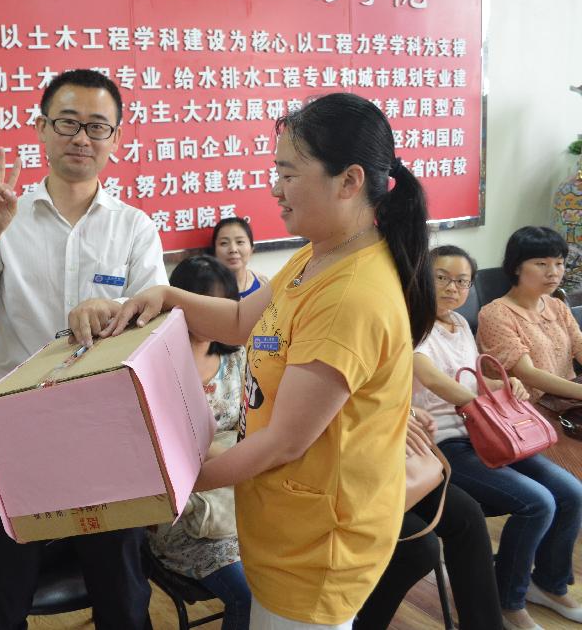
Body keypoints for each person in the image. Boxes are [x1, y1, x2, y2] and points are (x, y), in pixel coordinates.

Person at [108, 92, 435, 628]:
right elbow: (242, 321)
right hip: (282, 527)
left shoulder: (351, 296)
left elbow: (285, 441)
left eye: (288, 174)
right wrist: (165, 297)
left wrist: (173, 484)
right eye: (275, 172)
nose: (275, 189)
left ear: (349, 181)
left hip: (318, 549)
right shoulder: (319, 254)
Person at [0, 68, 167, 630]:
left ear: (116, 138)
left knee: (124, 602)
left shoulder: (134, 228)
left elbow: (154, 329)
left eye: (97, 126)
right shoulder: (6, 218)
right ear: (41, 128)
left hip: (106, 437)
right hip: (15, 432)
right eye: (67, 122)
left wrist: (112, 311)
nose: (82, 137)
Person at [356, 248, 509, 627]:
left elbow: (385, 391)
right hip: (355, 460)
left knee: (467, 516)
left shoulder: (406, 321)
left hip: (401, 450)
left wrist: (404, 413)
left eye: (461, 281)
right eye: (440, 278)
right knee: (418, 547)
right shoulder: (388, 322)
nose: (450, 288)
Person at [472, 228, 582, 627]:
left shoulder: (557, 306)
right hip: (528, 420)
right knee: (570, 491)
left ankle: (549, 582)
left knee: (572, 494)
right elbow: (529, 376)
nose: (553, 272)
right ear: (517, 267)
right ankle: (539, 583)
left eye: (559, 263)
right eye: (541, 263)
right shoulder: (495, 314)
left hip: (568, 410)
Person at [148, 255, 251, 629]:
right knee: (249, 593)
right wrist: (251, 463)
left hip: (239, 497)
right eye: (203, 305)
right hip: (185, 513)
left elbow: (252, 423)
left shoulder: (237, 356)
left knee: (287, 572)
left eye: (222, 307)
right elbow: (173, 445)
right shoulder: (155, 364)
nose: (213, 317)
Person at [211, 218, 268, 299]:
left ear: (251, 249)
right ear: (214, 251)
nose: (233, 249)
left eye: (240, 242)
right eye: (224, 243)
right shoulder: (206, 290)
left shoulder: (262, 283)